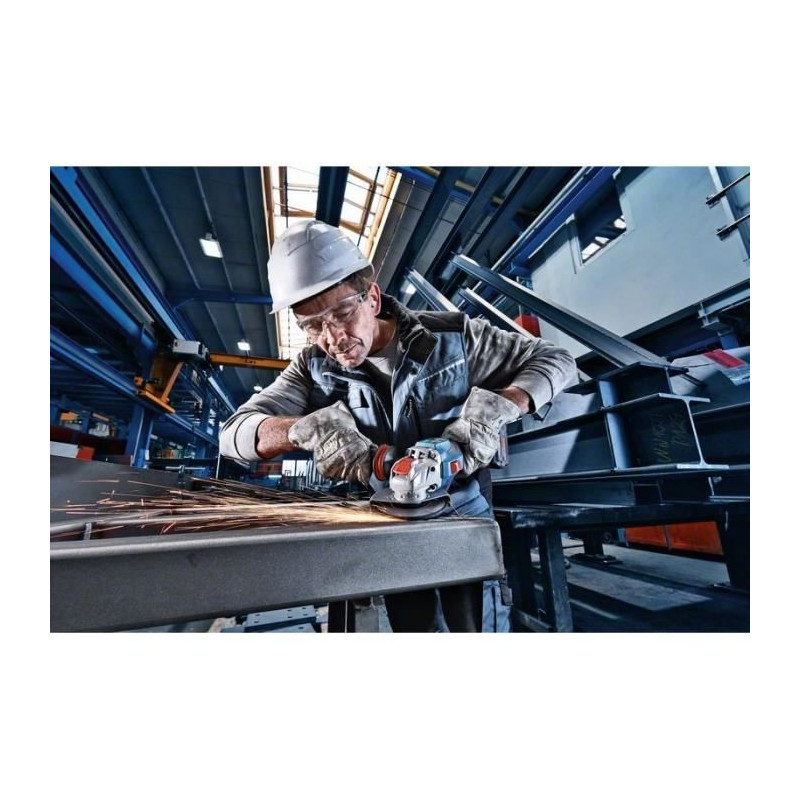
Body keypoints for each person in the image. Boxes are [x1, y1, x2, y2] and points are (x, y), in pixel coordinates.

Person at [219, 218, 577, 632]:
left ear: (372, 298)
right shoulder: (311, 367)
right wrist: (304, 430)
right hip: (387, 520)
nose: (333, 338)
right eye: (313, 326)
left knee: (477, 626)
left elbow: (557, 359)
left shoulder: (453, 338)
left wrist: (499, 408)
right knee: (413, 629)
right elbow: (233, 433)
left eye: (342, 313)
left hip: (462, 512)